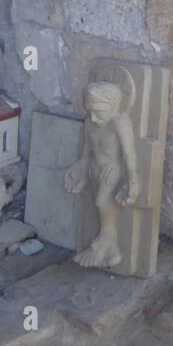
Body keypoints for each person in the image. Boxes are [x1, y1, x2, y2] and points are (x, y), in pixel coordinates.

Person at [65, 81, 140, 270]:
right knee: (97, 206)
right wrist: (80, 166)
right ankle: (112, 251)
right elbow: (88, 148)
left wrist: (132, 179)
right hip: (93, 168)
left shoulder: (119, 122)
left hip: (112, 169)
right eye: (90, 111)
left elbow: (129, 153)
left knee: (101, 203)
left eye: (99, 112)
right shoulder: (90, 121)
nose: (94, 117)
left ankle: (104, 240)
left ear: (114, 106)